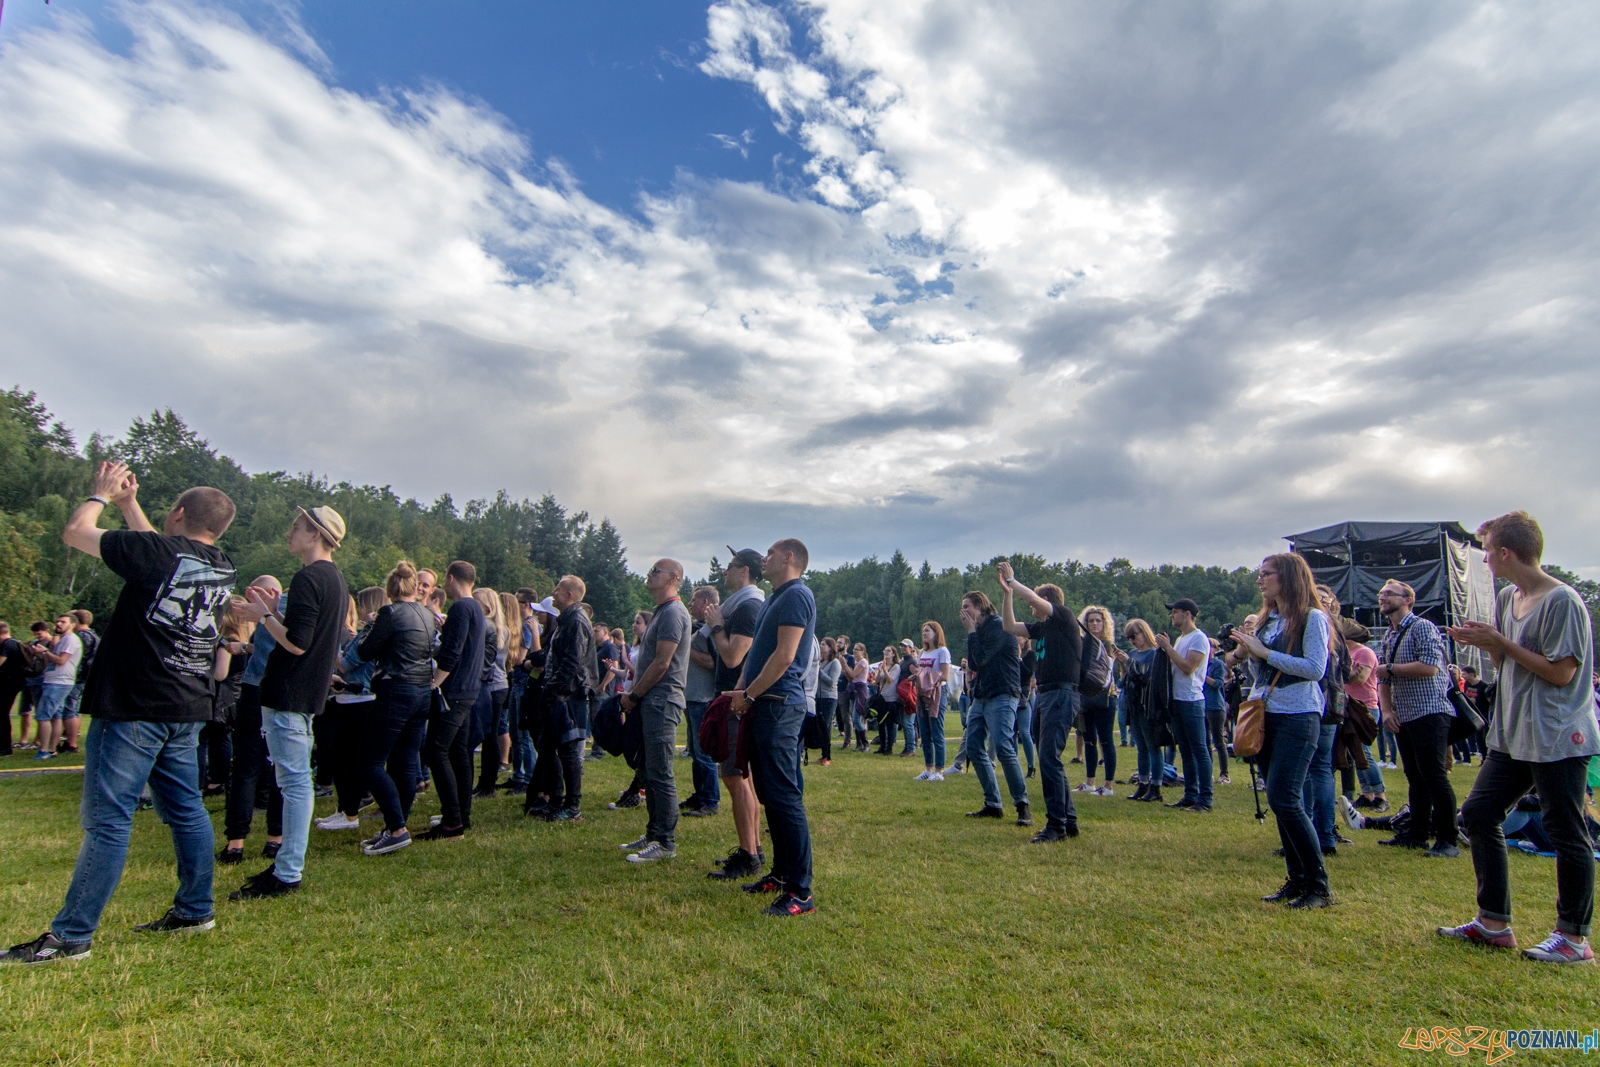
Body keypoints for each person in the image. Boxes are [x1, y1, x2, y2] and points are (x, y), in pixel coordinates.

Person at [3, 461, 236, 965]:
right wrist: (133, 506)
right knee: (185, 810)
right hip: (186, 704)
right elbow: (160, 553)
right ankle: (196, 909)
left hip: (136, 704)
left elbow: (74, 533)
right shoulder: (218, 563)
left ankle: (71, 936)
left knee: (109, 819)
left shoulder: (160, 553)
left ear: (177, 513)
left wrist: (103, 496)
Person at [1441, 511, 1598, 963]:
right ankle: (1494, 923)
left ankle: (1573, 939)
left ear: (1506, 553)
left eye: (1487, 550)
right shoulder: (1508, 598)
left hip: (1556, 733)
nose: (1484, 559)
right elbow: (1512, 662)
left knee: (1566, 830)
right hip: (1512, 734)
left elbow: (1562, 673)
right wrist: (1487, 643)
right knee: (1477, 813)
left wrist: (1502, 644)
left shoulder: (1562, 600)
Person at [230, 505, 347, 900]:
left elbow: (297, 643)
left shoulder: (310, 577)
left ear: (315, 534)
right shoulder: (333, 578)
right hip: (303, 694)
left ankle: (287, 872)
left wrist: (265, 616)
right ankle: (286, 867)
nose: (288, 533)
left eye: (295, 527)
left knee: (294, 784)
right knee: (296, 782)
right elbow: (308, 634)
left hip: (289, 692)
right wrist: (269, 612)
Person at [1229, 552, 1334, 909]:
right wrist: (1246, 652)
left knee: (1285, 798)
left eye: (1266, 574)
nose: (1260, 580)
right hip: (1266, 714)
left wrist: (1265, 653)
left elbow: (1315, 668)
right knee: (1279, 800)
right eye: (1259, 575)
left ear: (1287, 577)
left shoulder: (1313, 618)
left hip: (1298, 714)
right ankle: (1296, 880)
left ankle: (1318, 886)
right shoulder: (1268, 619)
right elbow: (1257, 665)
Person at [728, 539, 817, 916]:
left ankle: (800, 892)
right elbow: (757, 654)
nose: (763, 560)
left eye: (769, 554)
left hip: (780, 704)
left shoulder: (797, 595)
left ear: (789, 557)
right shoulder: (774, 598)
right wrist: (742, 691)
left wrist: (748, 694)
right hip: (763, 703)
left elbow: (785, 656)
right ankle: (780, 875)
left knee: (783, 795)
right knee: (768, 792)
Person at [349, 562, 437, 856]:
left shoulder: (389, 613)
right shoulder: (426, 614)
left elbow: (364, 651)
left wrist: (369, 627)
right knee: (405, 762)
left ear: (390, 590)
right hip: (421, 691)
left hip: (396, 689)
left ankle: (397, 828)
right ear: (415, 588)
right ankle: (396, 827)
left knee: (370, 762)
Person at [1373, 579, 1459, 858]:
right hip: (1404, 715)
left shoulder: (1423, 627)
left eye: (1389, 594)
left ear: (1408, 599)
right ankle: (1417, 833)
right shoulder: (1389, 635)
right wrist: (1386, 711)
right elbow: (1382, 681)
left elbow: (1430, 667)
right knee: (1415, 777)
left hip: (1430, 712)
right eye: (1380, 594)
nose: (1382, 598)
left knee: (1434, 776)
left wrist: (1389, 668)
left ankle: (1448, 839)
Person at [997, 562, 1080, 841]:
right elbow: (1009, 626)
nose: (1031, 605)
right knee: (1050, 758)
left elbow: (1031, 598)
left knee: (1048, 759)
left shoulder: (1064, 618)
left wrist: (1013, 579)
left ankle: (1056, 825)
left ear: (1046, 601)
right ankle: (1069, 820)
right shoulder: (1043, 630)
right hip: (1045, 695)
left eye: (1036, 600)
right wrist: (1007, 593)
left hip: (1061, 693)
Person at [617, 560, 692, 864]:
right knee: (648, 769)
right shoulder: (663, 611)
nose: (649, 574)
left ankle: (665, 842)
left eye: (656, 571)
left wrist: (634, 695)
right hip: (653, 700)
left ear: (674, 578)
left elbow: (662, 663)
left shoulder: (674, 612)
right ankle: (653, 833)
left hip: (662, 700)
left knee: (660, 772)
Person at [704, 548, 766, 881]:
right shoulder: (746, 604)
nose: (724, 572)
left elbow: (732, 656)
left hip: (736, 701)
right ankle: (753, 849)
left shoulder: (747, 607)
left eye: (729, 567)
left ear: (743, 571)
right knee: (744, 778)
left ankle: (748, 857)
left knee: (734, 777)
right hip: (736, 699)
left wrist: (715, 626)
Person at [418, 561, 487, 840]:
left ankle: (451, 822)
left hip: (455, 690)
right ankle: (461, 815)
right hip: (470, 690)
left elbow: (451, 653)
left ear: (449, 579)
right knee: (459, 753)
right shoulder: (475, 609)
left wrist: (435, 682)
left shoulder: (460, 607)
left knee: (435, 751)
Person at [219, 575, 284, 863]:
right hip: (276, 692)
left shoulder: (272, 617)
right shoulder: (282, 618)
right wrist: (244, 648)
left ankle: (236, 842)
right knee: (276, 766)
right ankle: (275, 838)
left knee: (246, 767)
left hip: (255, 690)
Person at [529, 575, 598, 821]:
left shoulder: (576, 620)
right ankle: (556, 800)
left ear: (570, 595)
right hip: (558, 692)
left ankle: (573, 806)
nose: (554, 592)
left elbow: (574, 661)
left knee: (567, 750)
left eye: (558, 589)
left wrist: (553, 686)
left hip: (569, 694)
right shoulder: (566, 620)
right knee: (546, 746)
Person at [959, 589, 1030, 826]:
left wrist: (970, 632)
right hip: (982, 694)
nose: (963, 612)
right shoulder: (979, 631)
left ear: (980, 606)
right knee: (973, 746)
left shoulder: (999, 627)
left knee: (1003, 746)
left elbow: (978, 660)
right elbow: (974, 662)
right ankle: (993, 803)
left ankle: (1022, 806)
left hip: (1002, 693)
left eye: (967, 606)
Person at [1154, 598, 1212, 812]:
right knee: (1185, 750)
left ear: (1188, 614)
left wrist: (1168, 648)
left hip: (1191, 700)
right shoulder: (1181, 639)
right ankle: (1190, 794)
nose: (1172, 615)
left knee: (1199, 749)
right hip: (1178, 700)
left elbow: (1188, 667)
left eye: (1175, 612)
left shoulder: (1199, 638)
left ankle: (1205, 799)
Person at [682, 586, 723, 815]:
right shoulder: (699, 630)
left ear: (705, 602)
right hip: (692, 697)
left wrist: (685, 648)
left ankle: (710, 801)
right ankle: (699, 795)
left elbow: (713, 662)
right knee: (695, 753)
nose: (689, 604)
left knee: (703, 752)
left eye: (693, 599)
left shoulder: (709, 631)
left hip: (703, 697)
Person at [1340, 618, 1388, 811]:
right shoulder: (1345, 653)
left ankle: (1380, 795)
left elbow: (1359, 678)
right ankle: (1367, 794)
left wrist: (1344, 673)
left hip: (1364, 706)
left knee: (1364, 751)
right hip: (1347, 705)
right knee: (1355, 751)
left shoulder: (1364, 653)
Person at [1076, 605, 1121, 796]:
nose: (1094, 624)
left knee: (1106, 740)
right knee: (1088, 740)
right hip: (1085, 697)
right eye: (1091, 620)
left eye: (1098, 620)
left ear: (1104, 623)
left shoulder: (1108, 645)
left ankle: (1108, 785)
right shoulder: (1082, 643)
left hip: (1105, 696)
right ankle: (1090, 782)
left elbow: (1106, 672)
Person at [1122, 620, 1164, 802]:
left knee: (1152, 746)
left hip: (1148, 705)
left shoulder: (1154, 654)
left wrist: (1128, 661)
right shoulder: (1133, 653)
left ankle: (1156, 786)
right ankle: (1143, 783)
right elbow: (1129, 676)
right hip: (1134, 704)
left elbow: (1146, 675)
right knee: (1141, 746)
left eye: (1134, 636)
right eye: (1129, 637)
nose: (1132, 640)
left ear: (1144, 633)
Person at [30, 613, 82, 761]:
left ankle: (44, 750)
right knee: (56, 716)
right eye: (57, 621)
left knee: (43, 716)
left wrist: (45, 651)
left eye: (63, 622)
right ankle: (52, 749)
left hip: (59, 682)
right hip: (55, 680)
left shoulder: (71, 640)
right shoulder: (63, 639)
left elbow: (61, 660)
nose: (58, 624)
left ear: (72, 625)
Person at [912, 623, 952, 780]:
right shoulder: (922, 652)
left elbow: (945, 676)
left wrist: (925, 676)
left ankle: (939, 771)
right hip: (922, 695)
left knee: (937, 731)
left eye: (927, 631)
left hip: (937, 694)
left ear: (936, 633)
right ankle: (928, 769)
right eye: (923, 631)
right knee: (925, 733)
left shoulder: (942, 652)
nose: (924, 633)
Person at [60, 609, 99, 753]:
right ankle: (72, 738)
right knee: (75, 709)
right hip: (86, 676)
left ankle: (71, 742)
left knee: (70, 709)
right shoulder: (94, 635)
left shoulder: (80, 637)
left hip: (76, 676)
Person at [1203, 639, 1230, 786]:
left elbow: (1219, 683)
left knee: (1219, 741)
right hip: (1202, 706)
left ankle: (1224, 774)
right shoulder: (1201, 663)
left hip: (1216, 707)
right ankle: (1209, 773)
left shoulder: (1218, 664)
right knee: (1205, 742)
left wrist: (1203, 676)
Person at [0, 622, 27, 754]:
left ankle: (4, 747)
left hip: (7, 684)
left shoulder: (6, 644)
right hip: (15, 682)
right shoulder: (16, 643)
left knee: (2, 715)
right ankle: (5, 746)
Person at [814, 638, 839, 767]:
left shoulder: (835, 663)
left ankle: (827, 756)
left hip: (829, 698)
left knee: (826, 726)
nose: (821, 646)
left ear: (830, 648)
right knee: (820, 726)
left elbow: (831, 682)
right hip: (819, 697)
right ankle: (823, 754)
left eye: (823, 644)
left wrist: (818, 671)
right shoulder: (822, 662)